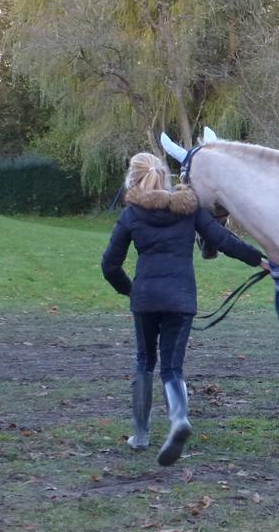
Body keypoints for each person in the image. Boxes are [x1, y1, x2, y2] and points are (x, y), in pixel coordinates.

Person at [101, 152, 267, 466]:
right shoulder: (188, 209)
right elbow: (223, 239)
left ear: (133, 180)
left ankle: (140, 434)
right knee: (172, 367)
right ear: (165, 178)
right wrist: (260, 260)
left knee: (144, 360)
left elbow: (109, 266)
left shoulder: (132, 215)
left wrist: (132, 291)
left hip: (147, 300)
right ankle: (178, 419)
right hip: (181, 300)